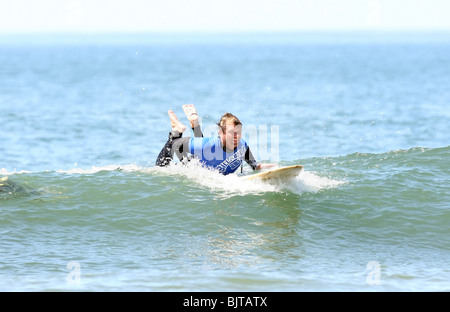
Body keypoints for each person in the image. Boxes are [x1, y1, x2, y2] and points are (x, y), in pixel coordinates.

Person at [155, 104, 275, 175]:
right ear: (220, 133)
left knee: (203, 151)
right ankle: (177, 129)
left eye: (239, 133)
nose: (236, 137)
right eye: (232, 133)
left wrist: (273, 169)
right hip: (194, 167)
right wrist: (186, 164)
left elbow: (255, 166)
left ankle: (195, 124)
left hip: (205, 156)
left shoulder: (242, 145)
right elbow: (176, 145)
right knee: (160, 168)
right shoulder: (209, 145)